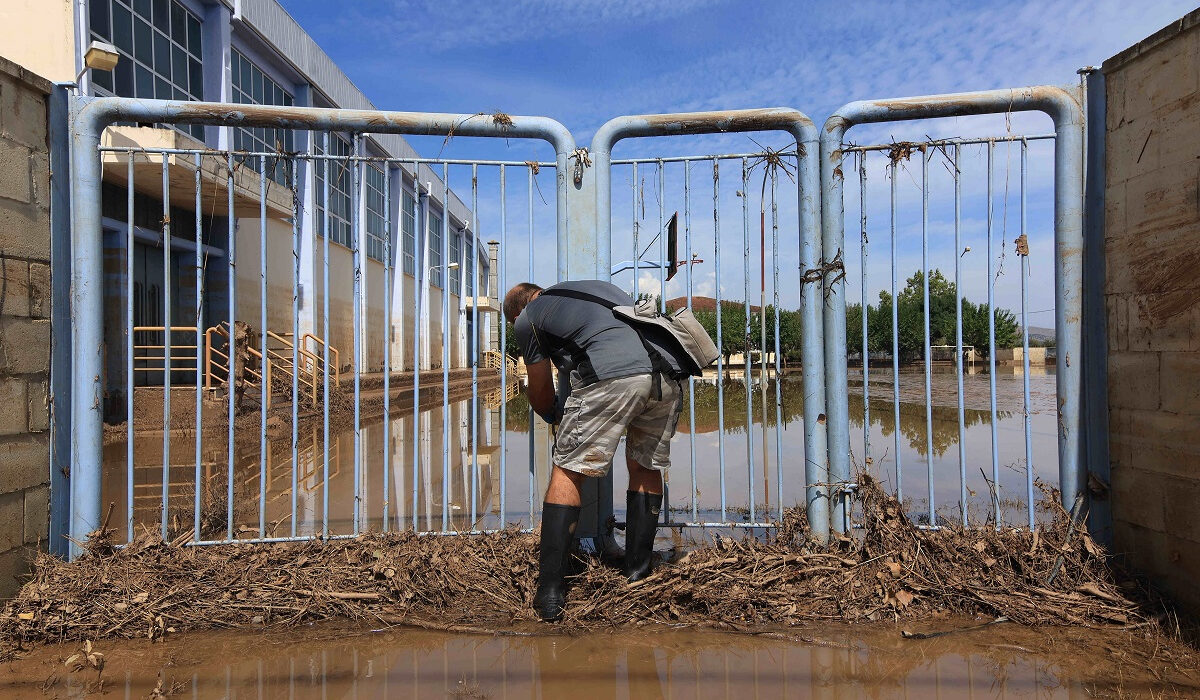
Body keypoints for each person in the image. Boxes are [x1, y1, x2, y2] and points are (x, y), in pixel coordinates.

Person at [504, 280, 691, 622]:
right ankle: (637, 573)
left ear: (516, 312)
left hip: (613, 377)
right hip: (667, 374)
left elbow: (542, 389)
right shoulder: (595, 291)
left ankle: (549, 594)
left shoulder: (526, 318)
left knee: (568, 470)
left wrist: (551, 413)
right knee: (645, 467)